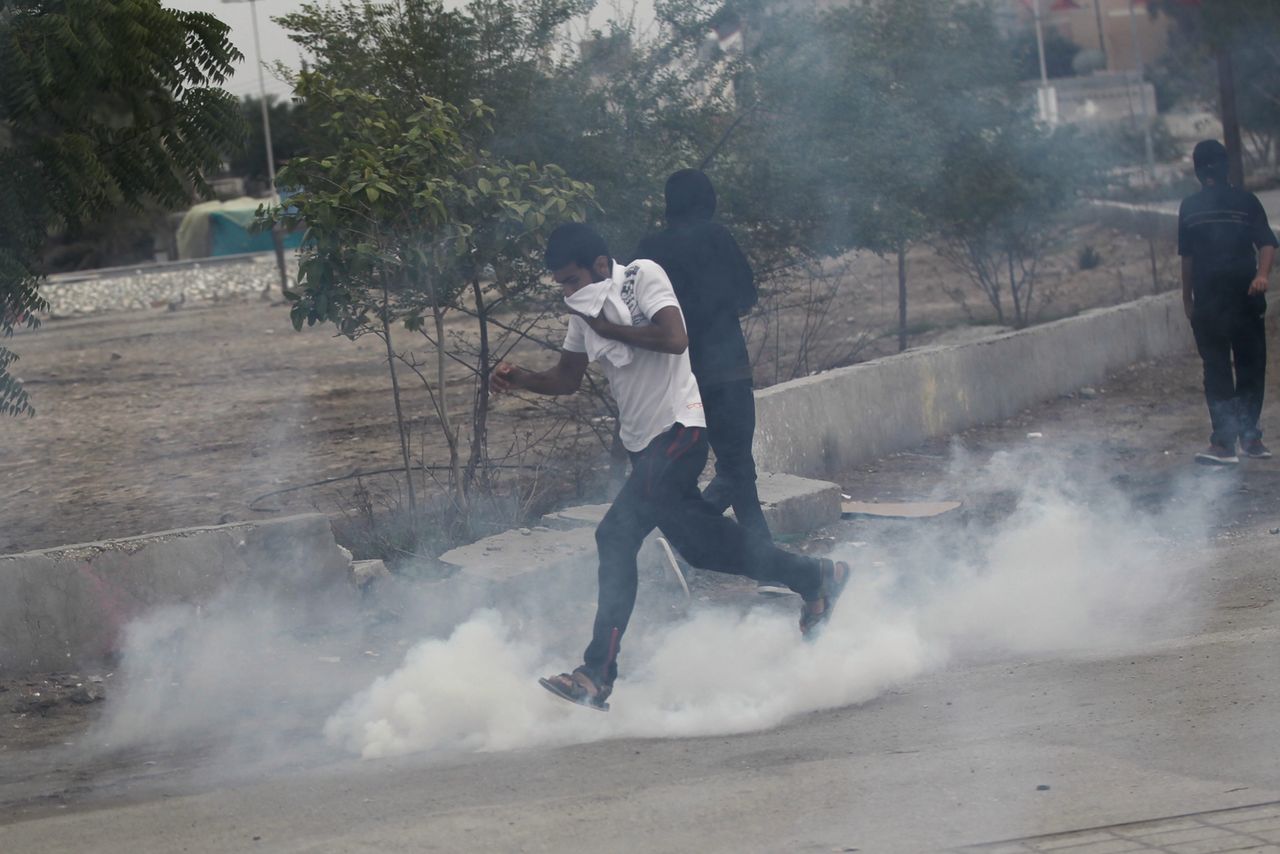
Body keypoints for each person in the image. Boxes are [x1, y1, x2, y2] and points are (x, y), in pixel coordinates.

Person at [492, 223, 850, 710]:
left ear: (600, 265)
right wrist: (522, 379)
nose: (569, 292)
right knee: (702, 549)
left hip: (681, 430)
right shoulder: (583, 313)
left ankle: (596, 674)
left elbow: (676, 338)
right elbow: (567, 379)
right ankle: (816, 576)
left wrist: (608, 327)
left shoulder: (642, 276)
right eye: (561, 285)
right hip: (645, 447)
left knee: (614, 535)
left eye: (573, 280)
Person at [634, 169, 782, 591]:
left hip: (676, 380)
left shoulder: (648, 251)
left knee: (719, 471)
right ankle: (685, 534)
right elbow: (746, 296)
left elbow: (637, 311)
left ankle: (767, 564)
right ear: (708, 200)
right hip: (727, 372)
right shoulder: (718, 237)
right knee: (737, 468)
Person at [1178, 139, 1277, 465]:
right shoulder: (1190, 207)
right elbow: (1188, 258)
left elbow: (1266, 243)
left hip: (1241, 298)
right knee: (1226, 368)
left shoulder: (1245, 202)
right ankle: (1226, 442)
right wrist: (1187, 298)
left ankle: (1245, 439)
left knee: (1238, 367)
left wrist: (1262, 276)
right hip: (1212, 302)